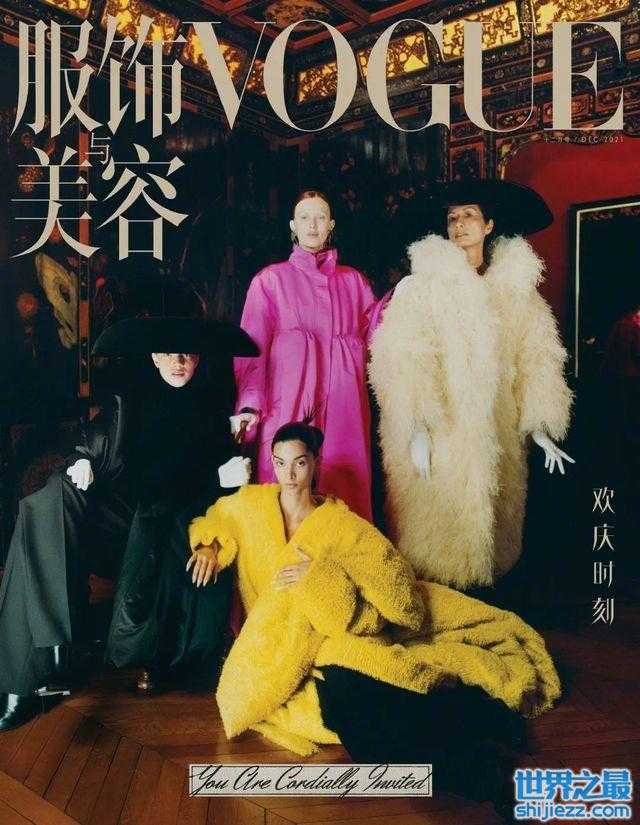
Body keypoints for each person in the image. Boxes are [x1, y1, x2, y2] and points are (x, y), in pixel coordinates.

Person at [188, 421, 561, 812]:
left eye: (299, 462)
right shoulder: (251, 506)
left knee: (368, 708)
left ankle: (483, 765)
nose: (290, 474)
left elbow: (394, 582)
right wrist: (209, 546)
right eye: (281, 463)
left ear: (315, 462)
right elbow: (217, 518)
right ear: (272, 462)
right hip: (285, 649)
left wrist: (321, 576)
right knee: (362, 722)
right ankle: (482, 742)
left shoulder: (342, 524)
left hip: (335, 640)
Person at [0, 316, 257, 731]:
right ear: (154, 357)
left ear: (198, 359)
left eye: (187, 354)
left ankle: (24, 675)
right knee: (45, 502)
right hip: (117, 518)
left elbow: (203, 498)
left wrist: (220, 477)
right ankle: (54, 646)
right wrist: (81, 460)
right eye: (169, 353)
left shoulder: (212, 413)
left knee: (31, 538)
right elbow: (94, 440)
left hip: (163, 529)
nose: (178, 361)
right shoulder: (129, 401)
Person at [369, 179, 575, 591]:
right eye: (452, 218)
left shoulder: (516, 292)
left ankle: (485, 606)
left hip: (499, 431)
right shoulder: (421, 287)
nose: (460, 225)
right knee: (438, 528)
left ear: (489, 225)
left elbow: (536, 357)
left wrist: (540, 424)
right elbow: (404, 357)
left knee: (493, 528)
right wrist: (417, 426)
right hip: (442, 430)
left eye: (469, 216)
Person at [232, 190, 387, 521]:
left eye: (320, 217)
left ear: (331, 224)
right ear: (293, 225)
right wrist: (249, 404)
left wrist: (404, 298)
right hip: (286, 402)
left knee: (344, 490)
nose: (312, 225)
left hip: (343, 403)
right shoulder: (270, 281)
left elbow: (379, 335)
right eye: (304, 217)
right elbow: (251, 350)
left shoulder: (354, 282)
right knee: (283, 489)